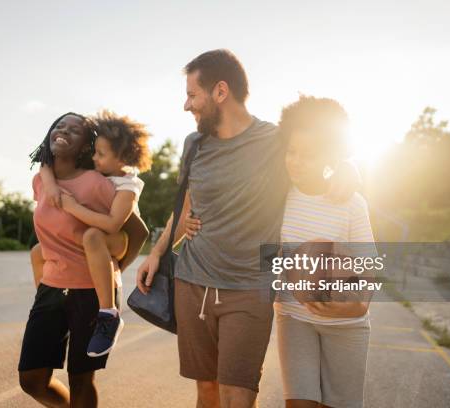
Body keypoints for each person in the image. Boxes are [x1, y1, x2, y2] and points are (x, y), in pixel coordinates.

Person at [137, 49, 360, 408]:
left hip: (248, 289)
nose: (186, 105)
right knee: (206, 393)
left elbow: (319, 148)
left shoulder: (274, 141)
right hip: (193, 283)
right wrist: (158, 252)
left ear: (220, 92)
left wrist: (349, 168)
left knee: (236, 397)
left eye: (193, 95)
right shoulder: (194, 145)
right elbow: (185, 207)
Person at [19, 112, 147, 408]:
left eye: (74, 129)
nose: (63, 130)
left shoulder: (98, 183)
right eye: (60, 125)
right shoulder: (40, 181)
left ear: (85, 147)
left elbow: (136, 231)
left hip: (91, 292)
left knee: (80, 379)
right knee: (31, 380)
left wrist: (116, 269)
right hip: (51, 289)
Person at [274, 95, 376, 408]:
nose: (296, 161)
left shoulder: (351, 203)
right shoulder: (276, 199)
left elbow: (369, 268)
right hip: (294, 319)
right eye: (291, 151)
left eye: (309, 155)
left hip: (345, 325)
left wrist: (356, 306)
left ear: (331, 157)